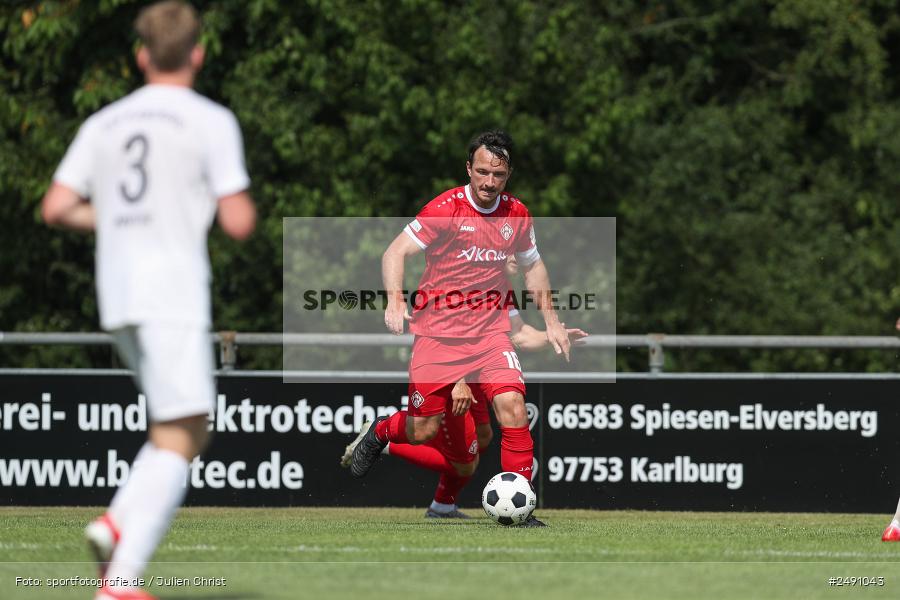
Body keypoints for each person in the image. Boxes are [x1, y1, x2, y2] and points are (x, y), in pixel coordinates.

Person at [40, 2, 255, 598]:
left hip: (119, 293)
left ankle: (115, 526)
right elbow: (238, 220)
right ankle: (122, 574)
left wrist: (116, 216)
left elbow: (55, 206)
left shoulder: (105, 123)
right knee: (188, 433)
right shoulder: (208, 120)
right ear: (198, 53)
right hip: (172, 291)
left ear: (139, 55)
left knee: (172, 426)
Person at [348, 130, 570, 527]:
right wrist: (397, 299)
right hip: (437, 337)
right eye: (481, 172)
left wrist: (552, 321)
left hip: (490, 336)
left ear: (508, 175)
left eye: (497, 175)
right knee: (421, 430)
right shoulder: (446, 208)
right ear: (468, 169)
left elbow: (533, 266)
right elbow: (394, 251)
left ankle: (519, 509)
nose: (488, 182)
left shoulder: (516, 214)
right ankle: (383, 430)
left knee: (513, 409)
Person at [342, 308, 586, 518]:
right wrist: (457, 380)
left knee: (482, 436)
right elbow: (446, 328)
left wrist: (552, 336)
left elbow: (520, 335)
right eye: (512, 254)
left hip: (474, 370)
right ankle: (383, 435)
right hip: (443, 364)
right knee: (459, 462)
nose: (515, 258)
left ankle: (442, 505)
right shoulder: (470, 271)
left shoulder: (500, 283)